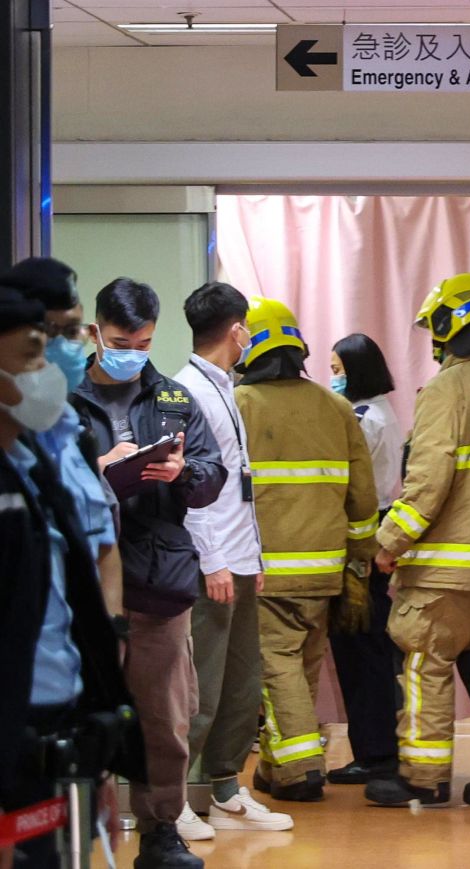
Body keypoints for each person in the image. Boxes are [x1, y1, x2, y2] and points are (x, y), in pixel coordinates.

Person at [74, 277, 226, 867]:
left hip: (158, 582)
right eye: (119, 341)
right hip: (86, 585)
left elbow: (212, 475)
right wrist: (96, 467)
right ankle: (86, 830)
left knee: (163, 720)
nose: (132, 353)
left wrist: (184, 473)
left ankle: (161, 831)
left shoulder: (172, 398)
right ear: (95, 332)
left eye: (142, 343)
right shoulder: (61, 398)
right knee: (89, 716)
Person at [366, 274, 470, 809]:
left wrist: (390, 541)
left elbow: (429, 479)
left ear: (447, 328)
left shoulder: (446, 389)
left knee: (425, 663)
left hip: (445, 573)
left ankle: (423, 777)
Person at [0, 286, 143, 869]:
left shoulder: (53, 454)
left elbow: (91, 570)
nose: (52, 364)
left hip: (64, 706)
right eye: (36, 348)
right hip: (17, 719)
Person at [234, 297, 379, 802]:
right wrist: (360, 555)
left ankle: (300, 772)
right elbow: (363, 496)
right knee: (303, 666)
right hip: (326, 569)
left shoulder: (239, 406)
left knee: (276, 668)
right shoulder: (336, 407)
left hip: (266, 568)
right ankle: (276, 769)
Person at [173, 282, 294, 840]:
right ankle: (172, 800)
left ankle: (224, 787)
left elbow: (238, 487)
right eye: (246, 329)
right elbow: (190, 490)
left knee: (243, 684)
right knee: (201, 687)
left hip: (240, 560)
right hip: (209, 565)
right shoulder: (183, 392)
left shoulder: (227, 387)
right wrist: (215, 560)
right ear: (236, 330)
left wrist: (253, 556)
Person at [4, 257, 123, 616]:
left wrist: (113, 632)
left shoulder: (75, 438)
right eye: (48, 334)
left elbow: (105, 547)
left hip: (75, 661)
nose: (62, 349)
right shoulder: (12, 445)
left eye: (72, 333)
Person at [324, 333, 403, 785]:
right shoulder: (381, 413)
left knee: (359, 649)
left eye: (338, 370)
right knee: (369, 646)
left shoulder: (362, 418)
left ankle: (374, 753)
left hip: (361, 530)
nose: (332, 378)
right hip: (376, 523)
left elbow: (351, 484)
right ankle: (376, 748)